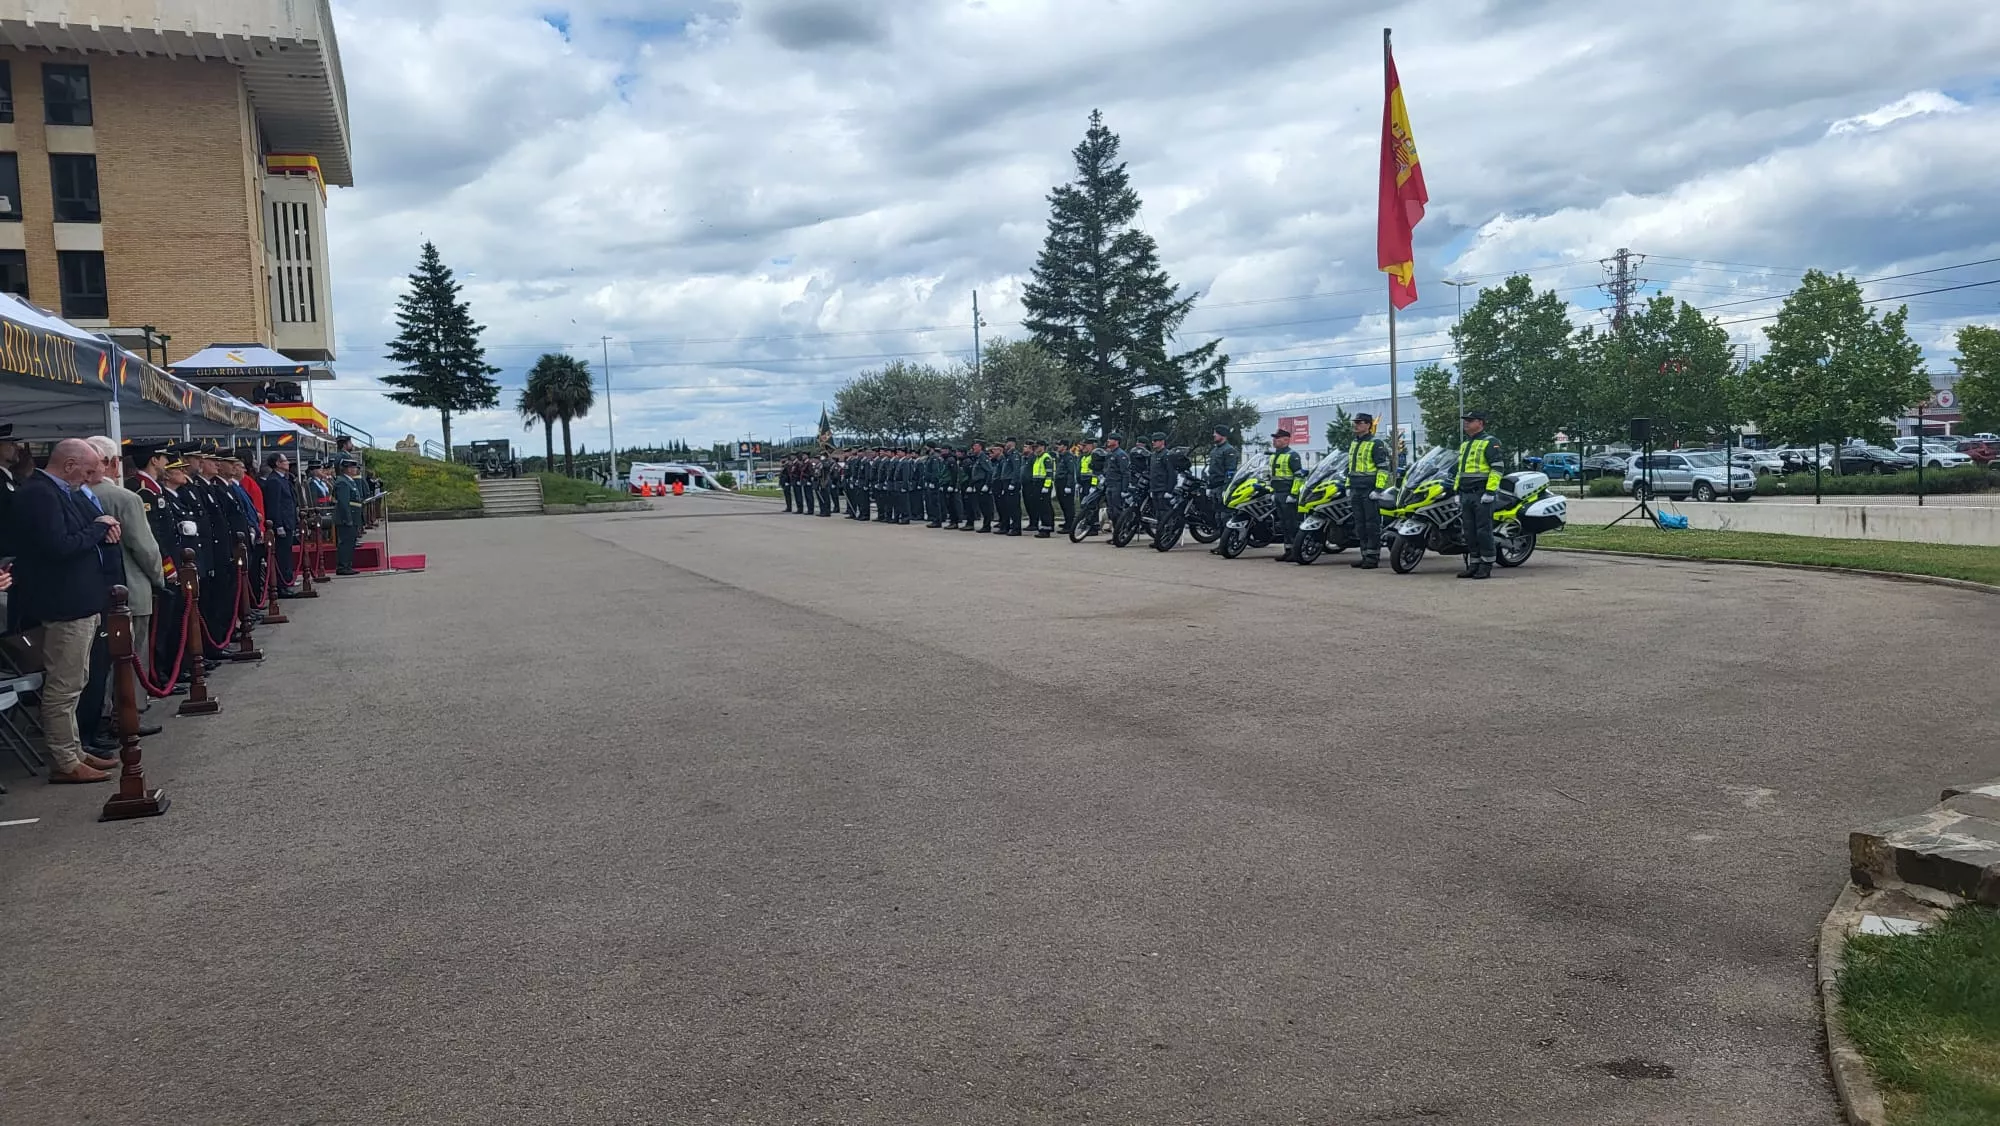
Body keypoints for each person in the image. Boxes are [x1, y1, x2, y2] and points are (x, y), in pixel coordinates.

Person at [9, 438, 122, 783]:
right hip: (63, 604)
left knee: (77, 680)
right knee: (64, 686)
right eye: (87, 470)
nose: (90, 478)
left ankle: (74, 748)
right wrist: (99, 528)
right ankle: (64, 758)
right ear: (69, 465)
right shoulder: (40, 494)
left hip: (80, 601)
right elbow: (60, 545)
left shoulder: (61, 492)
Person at [1454, 411, 1505, 579]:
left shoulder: (1490, 442)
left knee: (1483, 530)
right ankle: (1474, 563)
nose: (1466, 424)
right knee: (1469, 531)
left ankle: (1486, 564)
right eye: (1465, 421)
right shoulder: (1465, 444)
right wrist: (1456, 491)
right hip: (1466, 494)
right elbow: (1460, 471)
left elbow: (1497, 469)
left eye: (1470, 421)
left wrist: (1490, 492)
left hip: (1482, 494)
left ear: (1480, 423)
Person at [1345, 413, 1392, 569]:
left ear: (1368, 425)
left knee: (1371, 524)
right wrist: (1347, 486)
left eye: (1359, 422)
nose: (1356, 425)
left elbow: (1383, 468)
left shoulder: (1376, 443)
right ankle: (1364, 554)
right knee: (1360, 525)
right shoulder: (1354, 443)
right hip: (1355, 488)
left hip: (1369, 489)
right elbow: (1350, 468)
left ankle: (1373, 557)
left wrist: (1378, 489)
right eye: (1355, 422)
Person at [260, 453, 301, 593]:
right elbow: (274, 505)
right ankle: (282, 585)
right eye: (285, 461)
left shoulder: (284, 479)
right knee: (282, 556)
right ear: (277, 463)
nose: (288, 463)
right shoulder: (274, 481)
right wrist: (278, 525)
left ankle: (288, 579)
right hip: (282, 523)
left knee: (287, 554)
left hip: (289, 522)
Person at [1269, 428, 1305, 562]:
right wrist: (1272, 492)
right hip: (1278, 493)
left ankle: (1295, 551)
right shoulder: (1274, 456)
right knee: (1283, 524)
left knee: (1291, 524)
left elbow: (1299, 477)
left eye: (1277, 439)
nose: (1274, 441)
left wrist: (1293, 494)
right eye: (1274, 439)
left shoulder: (1292, 455)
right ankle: (1288, 550)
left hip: (1287, 493)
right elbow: (1273, 476)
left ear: (1286, 440)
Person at [333, 458, 366, 574]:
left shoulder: (349, 481)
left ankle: (348, 565)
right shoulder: (342, 482)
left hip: (353, 515)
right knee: (346, 542)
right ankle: (343, 566)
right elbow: (344, 502)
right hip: (347, 517)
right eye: (353, 467)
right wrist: (348, 518)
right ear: (347, 469)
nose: (355, 470)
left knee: (351, 542)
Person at [1147, 433, 1180, 538]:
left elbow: (1172, 474)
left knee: (1165, 514)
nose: (1153, 442)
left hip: (1163, 489)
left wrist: (1169, 491)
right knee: (1158, 514)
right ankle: (1159, 536)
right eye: (1153, 440)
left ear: (1162, 442)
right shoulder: (1153, 455)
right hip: (1155, 488)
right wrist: (1151, 489)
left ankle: (1167, 536)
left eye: (1156, 440)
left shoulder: (1167, 455)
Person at [1099, 433, 1129, 538]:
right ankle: (1116, 534)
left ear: (1116, 442)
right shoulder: (1110, 454)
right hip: (1109, 485)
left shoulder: (1121, 455)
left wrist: (1124, 489)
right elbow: (1107, 469)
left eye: (1110, 439)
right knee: (1111, 511)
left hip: (1117, 485)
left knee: (1117, 511)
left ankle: (1121, 533)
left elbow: (1125, 473)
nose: (1108, 441)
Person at [1026, 439, 1057, 537]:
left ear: (1043, 447)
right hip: (1037, 484)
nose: (1035, 449)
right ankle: (1044, 526)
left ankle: (1046, 529)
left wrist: (1046, 487)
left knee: (1045, 508)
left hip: (1043, 484)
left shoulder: (1046, 457)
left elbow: (1049, 474)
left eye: (1037, 447)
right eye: (1034, 447)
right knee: (1040, 507)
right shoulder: (1038, 458)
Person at [1207, 425, 1239, 507]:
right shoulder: (1215, 450)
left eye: (1216, 433)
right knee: (1215, 515)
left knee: (1223, 515)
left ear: (1223, 435)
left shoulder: (1229, 450)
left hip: (1221, 487)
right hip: (1214, 486)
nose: (1214, 435)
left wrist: (1226, 489)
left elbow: (1230, 472)